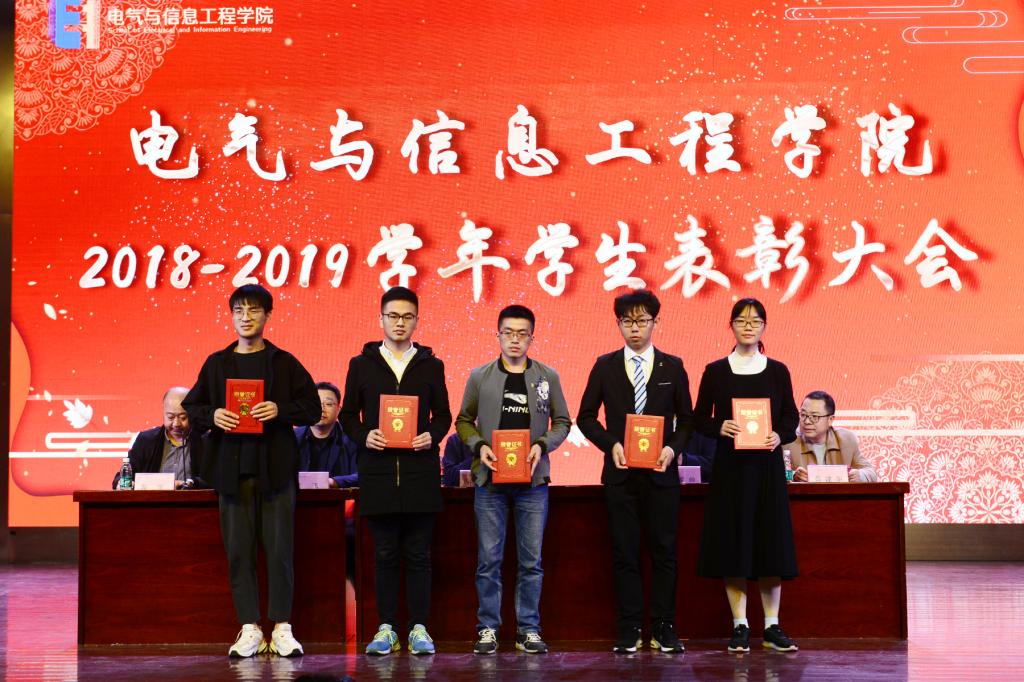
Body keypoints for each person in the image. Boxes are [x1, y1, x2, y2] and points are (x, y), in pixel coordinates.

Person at [182, 284, 321, 658]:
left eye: (254, 310)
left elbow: (312, 407)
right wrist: (213, 414)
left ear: (268, 315)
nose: (246, 317)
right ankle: (249, 628)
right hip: (232, 472)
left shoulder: (284, 363)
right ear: (231, 316)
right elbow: (192, 406)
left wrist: (280, 410)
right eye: (239, 311)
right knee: (239, 553)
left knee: (280, 552)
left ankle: (282, 628)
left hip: (275, 472)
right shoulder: (217, 363)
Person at [577, 289, 694, 654]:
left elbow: (687, 420)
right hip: (621, 475)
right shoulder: (605, 365)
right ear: (618, 324)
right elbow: (585, 417)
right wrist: (610, 443)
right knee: (624, 553)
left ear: (655, 322)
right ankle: (629, 627)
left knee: (664, 552)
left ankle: (664, 626)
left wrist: (672, 449)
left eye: (642, 321)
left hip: (661, 475)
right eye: (627, 322)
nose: (635, 328)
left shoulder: (672, 366)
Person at [339, 286, 451, 656]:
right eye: (393, 316)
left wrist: (431, 436)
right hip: (378, 474)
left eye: (407, 316)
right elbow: (347, 415)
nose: (399, 323)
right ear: (381, 319)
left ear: (416, 320)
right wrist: (364, 436)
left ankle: (419, 629)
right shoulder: (361, 364)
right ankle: (386, 628)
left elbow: (444, 416)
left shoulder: (431, 365)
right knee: (384, 554)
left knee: (419, 555)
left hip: (420, 474)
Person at [455, 304, 572, 655]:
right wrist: (479, 447)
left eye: (522, 334)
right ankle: (488, 628)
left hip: (532, 485)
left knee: (531, 562)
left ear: (532, 338)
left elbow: (563, 422)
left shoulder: (547, 376)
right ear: (498, 335)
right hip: (490, 484)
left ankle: (528, 630)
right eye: (508, 333)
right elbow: (463, 421)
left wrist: (542, 444)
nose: (515, 340)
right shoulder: (480, 376)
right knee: (488, 561)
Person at [694, 297, 800, 653]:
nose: (748, 326)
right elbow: (699, 418)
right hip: (731, 471)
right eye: (741, 320)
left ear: (764, 327)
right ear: (732, 326)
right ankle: (739, 624)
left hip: (767, 469)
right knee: (733, 544)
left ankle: (772, 625)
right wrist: (718, 426)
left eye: (755, 321)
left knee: (770, 544)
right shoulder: (716, 371)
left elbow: (790, 417)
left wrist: (779, 435)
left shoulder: (778, 371)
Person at [112, 386, 207, 490]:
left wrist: (190, 484)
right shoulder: (146, 441)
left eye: (183, 417)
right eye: (170, 417)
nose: (176, 424)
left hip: (192, 500)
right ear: (163, 412)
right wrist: (121, 483)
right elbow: (121, 477)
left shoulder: (205, 441)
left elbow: (214, 480)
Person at [785, 391, 878, 482]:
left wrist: (860, 475)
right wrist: (792, 475)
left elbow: (871, 472)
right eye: (803, 415)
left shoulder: (846, 440)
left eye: (814, 416)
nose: (807, 421)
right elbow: (779, 474)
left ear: (830, 419)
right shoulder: (788, 441)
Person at [295, 382, 359, 489]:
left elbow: (362, 475)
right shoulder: (293, 438)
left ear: (339, 410)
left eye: (328, 404)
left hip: (339, 498)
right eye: (316, 404)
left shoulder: (352, 439)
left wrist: (334, 482)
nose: (321, 409)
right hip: (299, 498)